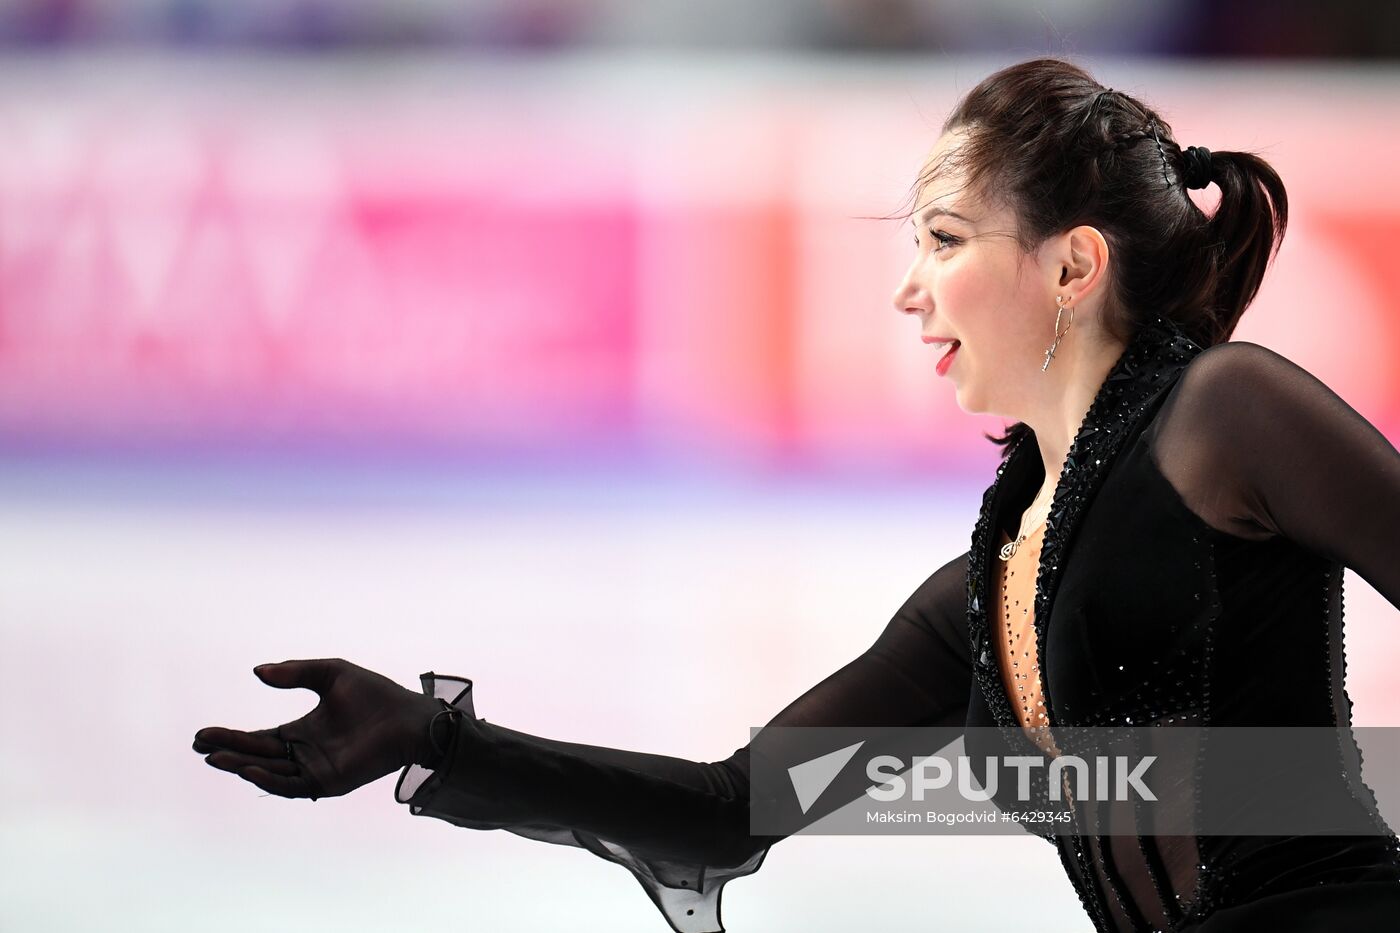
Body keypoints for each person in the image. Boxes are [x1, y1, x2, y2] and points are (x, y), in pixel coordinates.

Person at [191, 57, 1400, 932]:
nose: (908, 291)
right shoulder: (980, 600)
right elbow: (737, 809)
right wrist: (436, 739)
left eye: (942, 239)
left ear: (1072, 264)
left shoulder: (1227, 411)